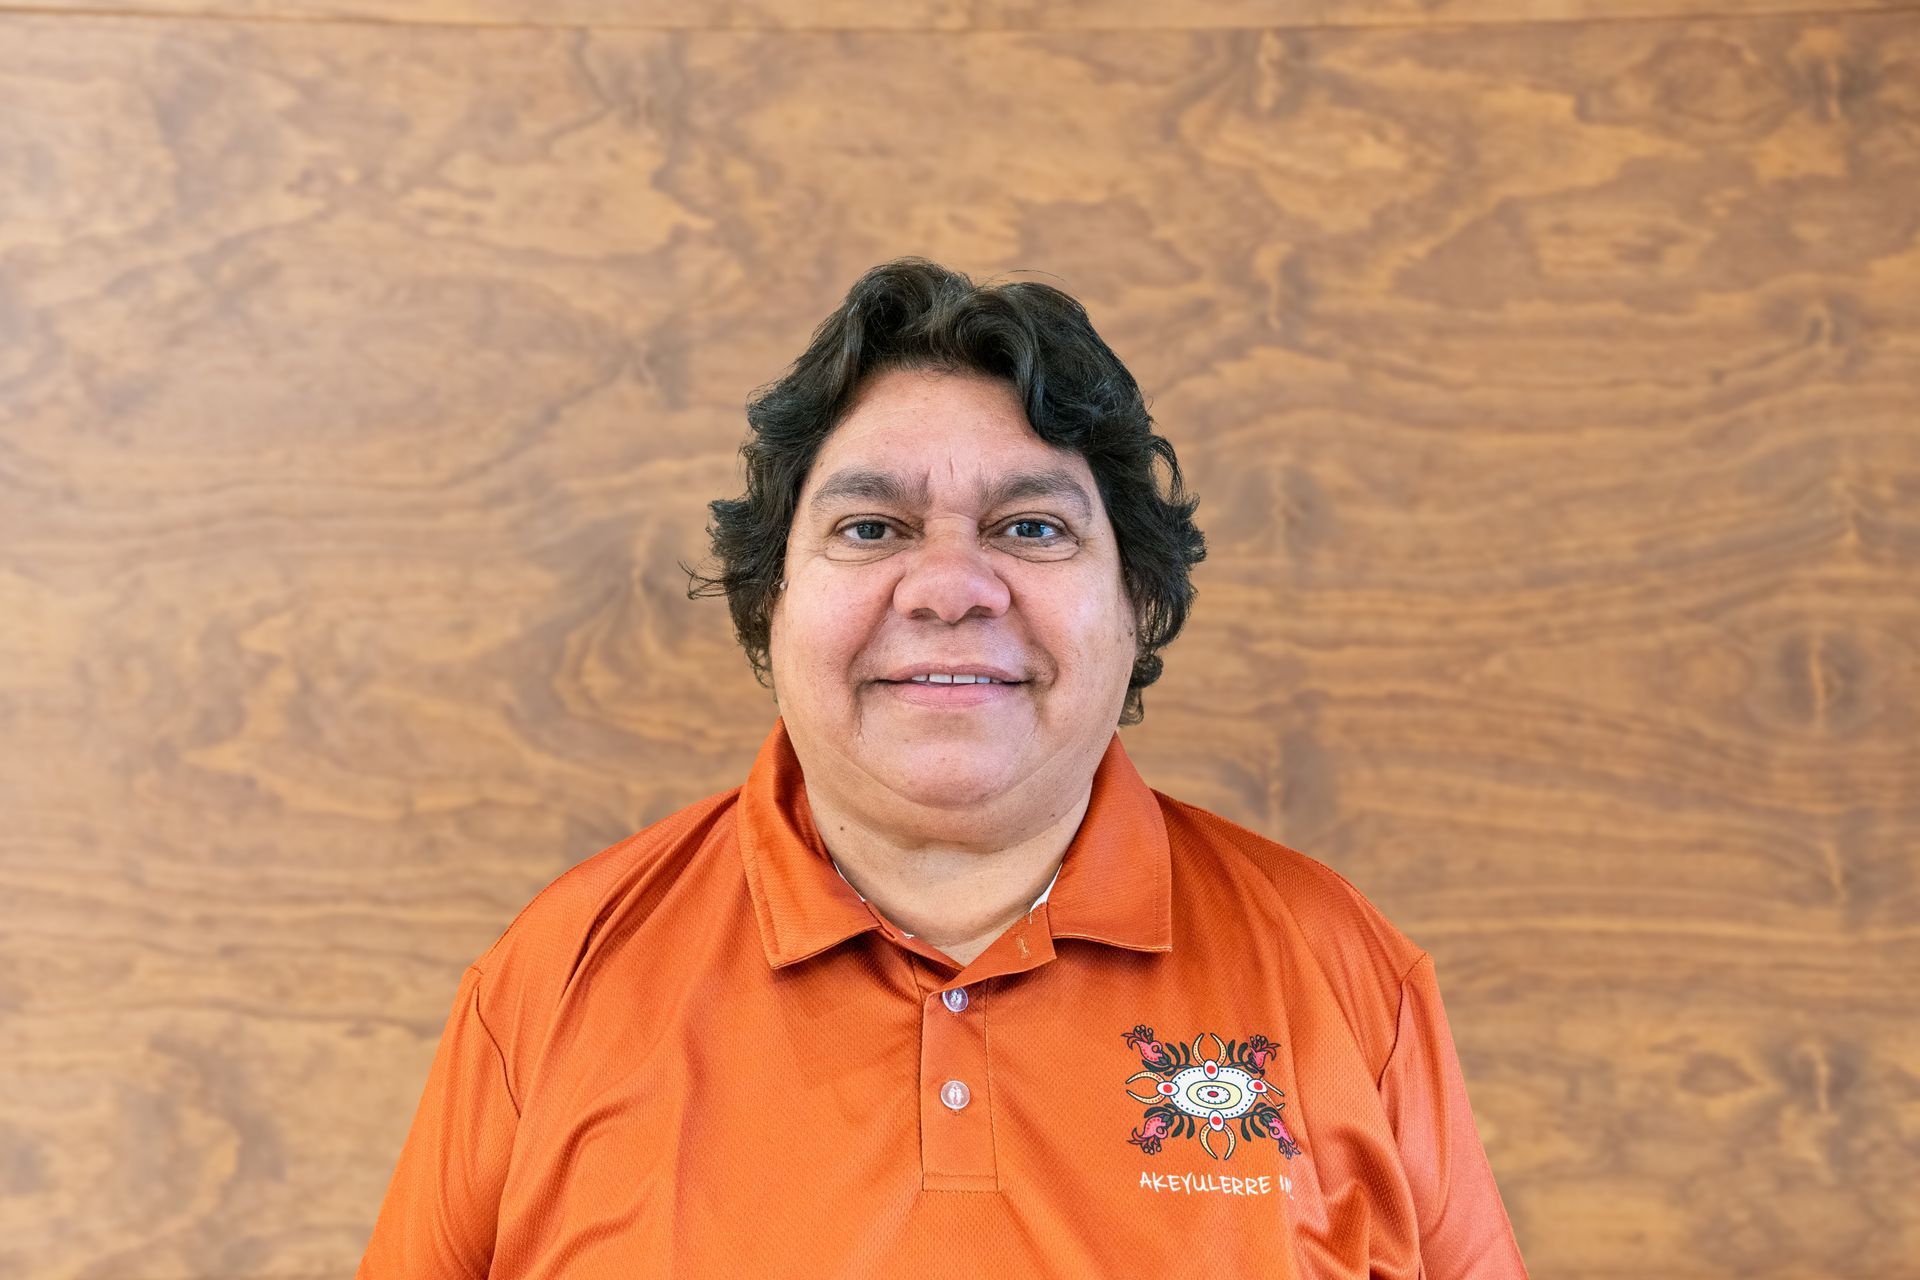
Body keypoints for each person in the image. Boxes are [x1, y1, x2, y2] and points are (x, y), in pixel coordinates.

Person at [357, 258, 1530, 1278]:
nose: (951, 587)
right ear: (771, 600)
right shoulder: (558, 974)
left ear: (1137, 600)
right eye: (872, 528)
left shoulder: (1343, 974)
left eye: (1032, 527)